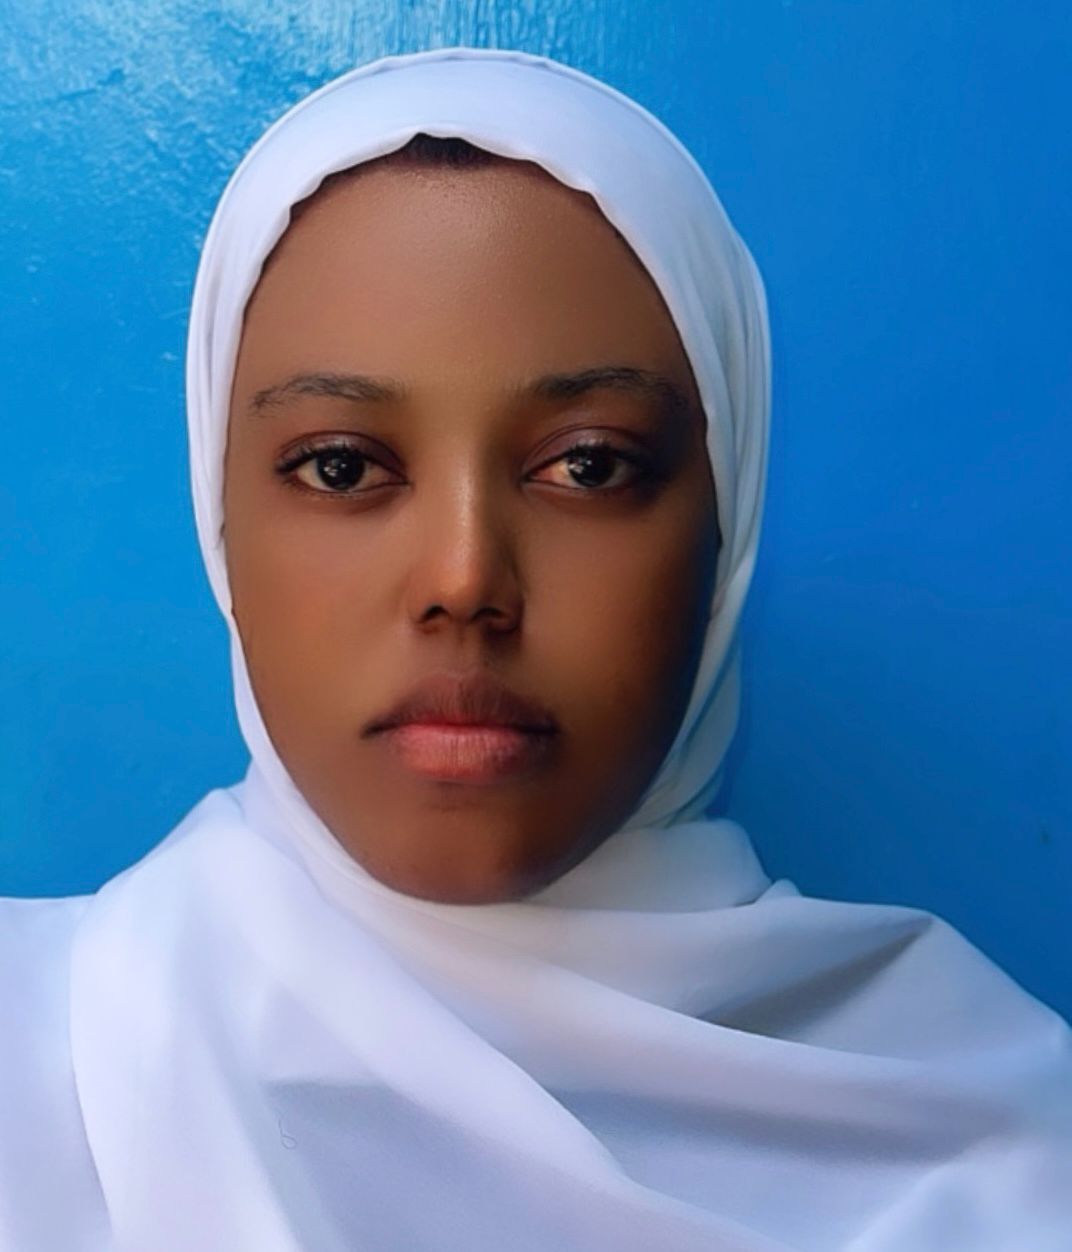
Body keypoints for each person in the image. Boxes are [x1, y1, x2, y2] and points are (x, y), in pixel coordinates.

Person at [1, 46, 1069, 1252]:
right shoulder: (34, 1073)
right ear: (218, 516)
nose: (464, 580)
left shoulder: (1009, 1158)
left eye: (589, 466)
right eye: (342, 467)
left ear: (724, 531)